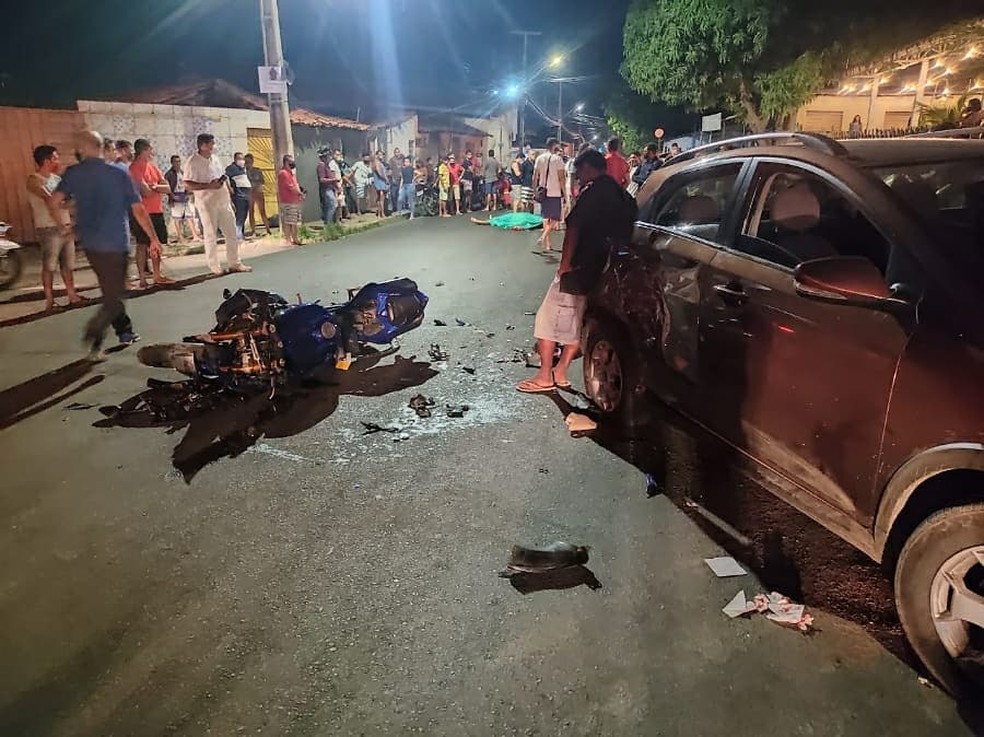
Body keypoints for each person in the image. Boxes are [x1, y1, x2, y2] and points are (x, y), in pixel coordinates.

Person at [518, 148, 637, 393]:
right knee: (576, 321)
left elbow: (574, 229)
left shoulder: (592, 193)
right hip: (603, 268)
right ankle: (560, 372)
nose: (578, 177)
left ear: (587, 168)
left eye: (579, 172)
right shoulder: (620, 193)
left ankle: (545, 377)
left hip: (580, 267)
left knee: (546, 322)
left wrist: (564, 266)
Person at [52, 131, 163, 359]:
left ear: (81, 149)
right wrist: (153, 237)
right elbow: (138, 210)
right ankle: (95, 333)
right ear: (102, 147)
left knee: (110, 290)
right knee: (114, 295)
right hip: (115, 242)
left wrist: (65, 226)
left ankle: (121, 333)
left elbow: (55, 201)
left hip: (92, 244)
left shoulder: (74, 173)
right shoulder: (118, 173)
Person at [184, 133, 251, 275]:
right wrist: (208, 185)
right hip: (207, 203)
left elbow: (222, 177)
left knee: (231, 232)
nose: (213, 147)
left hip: (223, 201)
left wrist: (228, 193)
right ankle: (215, 266)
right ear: (202, 145)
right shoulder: (192, 162)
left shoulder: (215, 159)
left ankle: (235, 263)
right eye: (210, 144)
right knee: (210, 235)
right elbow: (187, 184)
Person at [26, 145, 82, 311]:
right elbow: (50, 201)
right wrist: (61, 224)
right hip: (48, 228)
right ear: (46, 160)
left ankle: (72, 295)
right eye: (55, 158)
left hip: (65, 226)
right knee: (49, 266)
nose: (58, 161)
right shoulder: (34, 179)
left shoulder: (57, 180)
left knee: (68, 264)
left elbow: (67, 202)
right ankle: (50, 301)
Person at [129, 138, 175, 288]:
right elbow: (146, 192)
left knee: (156, 244)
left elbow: (167, 187)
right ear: (143, 150)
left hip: (156, 210)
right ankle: (142, 278)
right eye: (150, 149)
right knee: (142, 244)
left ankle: (157, 274)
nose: (152, 152)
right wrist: (156, 188)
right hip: (141, 212)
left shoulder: (153, 167)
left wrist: (155, 186)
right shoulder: (134, 169)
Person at [532, 137, 567, 250]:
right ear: (554, 146)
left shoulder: (539, 158)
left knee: (545, 216)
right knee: (556, 218)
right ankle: (543, 236)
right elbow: (562, 178)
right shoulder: (557, 159)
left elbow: (534, 177)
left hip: (543, 192)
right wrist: (565, 193)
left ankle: (548, 243)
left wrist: (535, 191)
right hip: (555, 192)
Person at [164, 155, 201, 244]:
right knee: (177, 218)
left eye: (179, 161)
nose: (178, 163)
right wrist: (172, 196)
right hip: (175, 197)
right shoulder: (169, 174)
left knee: (189, 216)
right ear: (172, 163)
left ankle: (195, 236)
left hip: (184, 196)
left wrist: (189, 192)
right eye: (176, 162)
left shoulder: (182, 172)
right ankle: (180, 237)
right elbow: (166, 187)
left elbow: (186, 184)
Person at [277, 153, 304, 246]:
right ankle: (288, 239)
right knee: (289, 221)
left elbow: (295, 185)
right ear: (285, 162)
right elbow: (291, 187)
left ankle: (295, 238)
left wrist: (300, 194)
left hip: (294, 200)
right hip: (288, 201)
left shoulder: (291, 173)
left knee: (294, 221)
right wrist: (300, 193)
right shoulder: (283, 173)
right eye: (290, 162)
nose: (292, 164)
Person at [244, 154, 270, 235]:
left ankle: (268, 229)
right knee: (251, 211)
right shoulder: (244, 172)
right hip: (249, 193)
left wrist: (255, 184)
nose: (247, 163)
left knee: (262, 211)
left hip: (258, 192)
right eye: (246, 161)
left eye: (249, 161)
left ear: (252, 161)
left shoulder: (257, 170)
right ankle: (253, 230)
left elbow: (262, 181)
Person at [316, 147, 339, 226]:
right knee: (332, 205)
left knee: (331, 206)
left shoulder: (326, 165)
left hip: (330, 188)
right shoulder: (321, 166)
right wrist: (333, 180)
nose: (329, 157)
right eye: (328, 156)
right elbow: (322, 179)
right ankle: (329, 224)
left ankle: (330, 223)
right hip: (326, 189)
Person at [334, 149, 353, 219]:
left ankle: (345, 214)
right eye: (337, 154)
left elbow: (350, 171)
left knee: (343, 199)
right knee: (340, 200)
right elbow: (342, 176)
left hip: (343, 183)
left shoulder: (344, 164)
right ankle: (341, 216)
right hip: (338, 184)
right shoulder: (334, 164)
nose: (339, 156)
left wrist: (348, 180)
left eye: (340, 154)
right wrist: (349, 182)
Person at [372, 151, 389, 218]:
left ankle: (379, 213)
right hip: (380, 181)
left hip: (381, 181)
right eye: (380, 155)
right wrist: (385, 179)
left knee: (380, 198)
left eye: (382, 155)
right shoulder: (377, 163)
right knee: (381, 198)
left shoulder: (381, 163)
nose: (381, 156)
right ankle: (382, 213)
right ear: (377, 155)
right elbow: (379, 173)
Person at [388, 147, 404, 214]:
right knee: (393, 194)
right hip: (394, 178)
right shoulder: (392, 160)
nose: (397, 153)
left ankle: (399, 207)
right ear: (394, 153)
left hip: (401, 178)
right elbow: (390, 170)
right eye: (396, 152)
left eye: (398, 152)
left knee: (400, 194)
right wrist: (391, 178)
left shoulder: (402, 159)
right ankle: (394, 207)